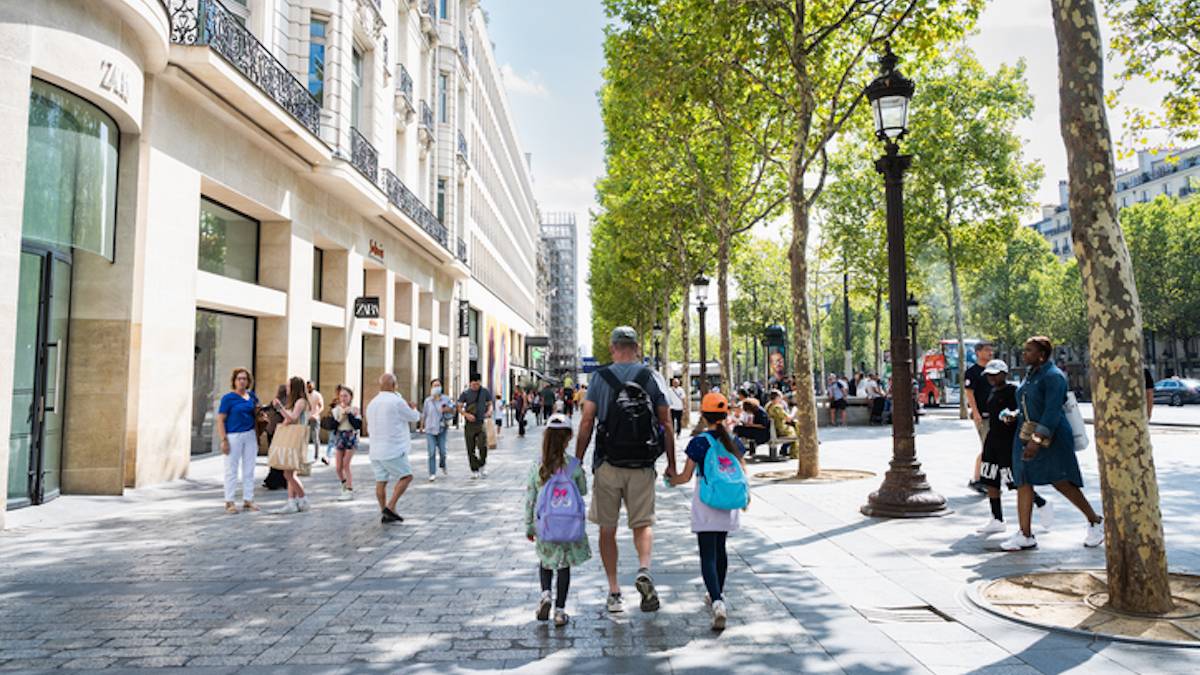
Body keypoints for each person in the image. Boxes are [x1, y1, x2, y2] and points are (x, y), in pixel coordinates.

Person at [575, 326, 677, 614]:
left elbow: (586, 422)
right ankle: (644, 568)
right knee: (642, 524)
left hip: (608, 464)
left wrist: (578, 461)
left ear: (612, 348)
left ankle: (614, 591)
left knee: (608, 528)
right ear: (636, 347)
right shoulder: (651, 377)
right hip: (642, 464)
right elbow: (666, 423)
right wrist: (671, 463)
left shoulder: (599, 378)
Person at [1001, 337, 1104, 552]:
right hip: (1025, 435)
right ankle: (1025, 534)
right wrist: (1014, 414)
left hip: (1052, 438)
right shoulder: (1031, 375)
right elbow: (1030, 405)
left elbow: (1051, 411)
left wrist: (1036, 441)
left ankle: (1095, 521)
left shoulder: (1054, 376)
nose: (1024, 354)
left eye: (1028, 350)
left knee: (1062, 481)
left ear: (1042, 354)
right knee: (1023, 481)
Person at [669, 392, 748, 632]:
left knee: (708, 554)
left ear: (703, 414)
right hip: (728, 501)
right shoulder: (734, 441)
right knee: (720, 549)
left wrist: (670, 479)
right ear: (725, 415)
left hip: (706, 500)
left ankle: (716, 601)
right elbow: (742, 471)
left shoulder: (699, 442)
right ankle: (717, 593)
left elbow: (685, 477)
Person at [524, 414, 591, 627]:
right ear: (569, 438)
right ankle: (560, 611)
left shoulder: (539, 466)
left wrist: (529, 525)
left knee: (545, 562)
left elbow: (530, 498)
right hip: (568, 526)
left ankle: (545, 594)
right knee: (564, 566)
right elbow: (582, 491)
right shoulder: (573, 465)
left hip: (546, 525)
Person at [975, 360, 1052, 536]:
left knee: (1014, 480)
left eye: (995, 374)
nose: (991, 378)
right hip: (992, 440)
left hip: (1008, 442)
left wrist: (1013, 415)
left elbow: (1023, 411)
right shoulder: (993, 391)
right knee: (989, 478)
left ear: (1005, 373)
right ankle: (997, 518)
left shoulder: (1014, 391)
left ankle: (1041, 503)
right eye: (989, 375)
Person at [366, 373, 420, 524]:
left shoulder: (372, 403)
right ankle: (390, 506)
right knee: (406, 476)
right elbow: (413, 417)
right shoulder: (396, 401)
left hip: (375, 450)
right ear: (393, 385)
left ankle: (385, 511)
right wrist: (414, 408)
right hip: (393, 449)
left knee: (381, 481)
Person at [217, 368, 260, 514]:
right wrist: (224, 440)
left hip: (250, 435)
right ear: (234, 381)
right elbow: (220, 420)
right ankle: (229, 501)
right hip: (233, 436)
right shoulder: (228, 398)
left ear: (248, 382)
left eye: (244, 379)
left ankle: (248, 499)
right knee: (231, 469)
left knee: (249, 468)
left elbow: (257, 414)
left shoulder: (252, 397)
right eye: (239, 378)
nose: (242, 381)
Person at [267, 377, 310, 514]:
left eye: (289, 386)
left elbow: (292, 418)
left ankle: (303, 499)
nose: (287, 389)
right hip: (294, 438)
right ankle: (292, 501)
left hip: (295, 439)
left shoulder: (301, 401)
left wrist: (280, 408)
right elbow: (288, 419)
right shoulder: (296, 402)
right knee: (289, 472)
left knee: (288, 473)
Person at [964, 342, 996, 495]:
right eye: (987, 350)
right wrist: (975, 413)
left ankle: (982, 478)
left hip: (996, 415)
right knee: (988, 447)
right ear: (978, 352)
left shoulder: (994, 370)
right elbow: (969, 393)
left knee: (990, 447)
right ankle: (980, 479)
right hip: (982, 416)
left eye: (991, 350)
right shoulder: (972, 372)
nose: (990, 353)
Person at [458, 374, 493, 479]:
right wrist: (466, 415)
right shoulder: (465, 393)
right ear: (470, 383)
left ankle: (482, 463)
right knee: (470, 447)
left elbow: (490, 403)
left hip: (481, 422)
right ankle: (474, 469)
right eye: (473, 384)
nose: (475, 386)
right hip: (469, 424)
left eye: (477, 384)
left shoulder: (484, 392)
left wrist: (489, 411)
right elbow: (459, 407)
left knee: (483, 445)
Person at [330, 385, 361, 501]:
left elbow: (357, 425)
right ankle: (344, 484)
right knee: (338, 467)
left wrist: (349, 414)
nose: (343, 398)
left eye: (346, 396)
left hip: (351, 436)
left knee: (346, 464)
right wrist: (341, 417)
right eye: (341, 396)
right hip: (339, 436)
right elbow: (333, 426)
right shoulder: (335, 410)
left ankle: (349, 489)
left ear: (350, 397)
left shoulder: (355, 409)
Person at [420, 378, 454, 481]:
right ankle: (432, 472)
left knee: (443, 451)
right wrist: (421, 426)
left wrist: (447, 409)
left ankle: (443, 464)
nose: (437, 387)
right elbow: (424, 414)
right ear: (431, 387)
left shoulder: (446, 399)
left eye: (438, 385)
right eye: (435, 385)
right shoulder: (428, 400)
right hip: (430, 429)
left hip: (442, 429)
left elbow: (453, 410)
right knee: (431, 452)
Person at [261, 384, 289, 491]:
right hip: (277, 431)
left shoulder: (279, 401)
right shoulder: (283, 401)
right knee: (278, 456)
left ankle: (275, 480)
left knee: (275, 456)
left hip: (275, 431)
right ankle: (278, 480)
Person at [765, 390, 798, 457]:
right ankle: (793, 453)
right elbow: (788, 418)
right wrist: (794, 410)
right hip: (779, 429)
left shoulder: (768, 406)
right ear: (777, 397)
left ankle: (784, 449)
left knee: (793, 427)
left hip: (772, 429)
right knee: (796, 430)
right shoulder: (777, 407)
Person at [306, 381, 325, 462]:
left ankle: (316, 456)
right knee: (304, 437)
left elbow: (321, 407)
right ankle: (303, 455)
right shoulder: (305, 395)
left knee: (315, 437)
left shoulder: (317, 395)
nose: (309, 388)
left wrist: (316, 414)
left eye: (310, 386)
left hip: (315, 418)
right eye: (308, 386)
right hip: (306, 418)